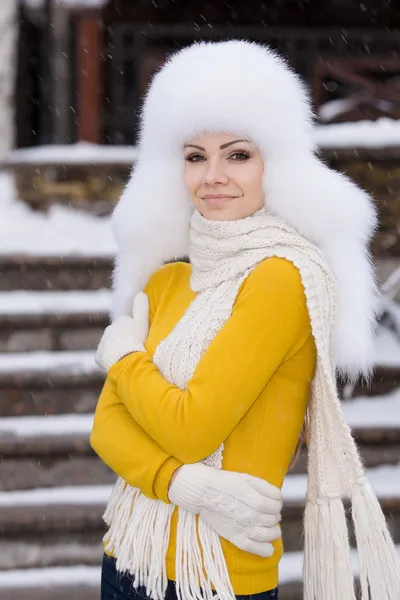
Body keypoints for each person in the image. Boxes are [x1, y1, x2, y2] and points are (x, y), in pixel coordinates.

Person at [92, 41, 400, 600]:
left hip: (214, 576)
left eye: (237, 155)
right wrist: (184, 484)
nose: (213, 176)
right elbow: (105, 429)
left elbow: (191, 428)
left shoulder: (282, 279)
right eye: (194, 156)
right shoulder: (166, 282)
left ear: (274, 163)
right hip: (127, 557)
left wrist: (124, 359)